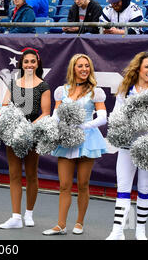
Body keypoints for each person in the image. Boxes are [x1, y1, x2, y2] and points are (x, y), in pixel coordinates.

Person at [106, 52, 148, 240]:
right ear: (138, 68)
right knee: (123, 189)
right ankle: (117, 231)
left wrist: (147, 121)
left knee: (144, 189)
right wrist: (127, 122)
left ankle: (140, 231)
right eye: (147, 67)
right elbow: (116, 116)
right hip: (126, 146)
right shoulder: (125, 89)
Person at [42, 53, 107, 236]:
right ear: (73, 68)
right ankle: (61, 225)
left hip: (87, 139)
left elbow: (103, 117)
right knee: (64, 185)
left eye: (87, 66)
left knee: (83, 184)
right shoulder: (62, 90)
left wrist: (84, 125)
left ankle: (79, 222)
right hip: (66, 140)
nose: (84, 69)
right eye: (80, 66)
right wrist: (48, 127)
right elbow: (56, 115)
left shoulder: (95, 91)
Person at [0, 48, 51, 229]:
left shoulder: (43, 86)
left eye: (32, 61)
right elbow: (5, 106)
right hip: (13, 135)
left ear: (37, 63)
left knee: (31, 175)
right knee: (13, 174)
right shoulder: (13, 83)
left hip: (32, 135)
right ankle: (15, 217)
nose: (29, 65)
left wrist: (28, 128)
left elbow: (45, 113)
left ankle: (29, 213)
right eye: (26, 62)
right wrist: (14, 126)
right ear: (21, 64)